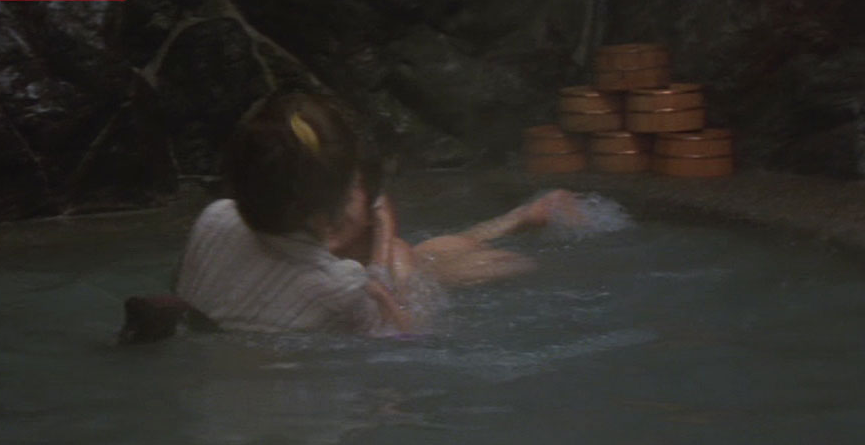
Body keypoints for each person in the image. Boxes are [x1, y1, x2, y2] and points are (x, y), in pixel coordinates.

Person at [163, 92, 583, 338]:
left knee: (411, 255)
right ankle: (522, 225)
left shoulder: (213, 219)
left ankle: (517, 221)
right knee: (408, 258)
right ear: (326, 212)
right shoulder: (340, 287)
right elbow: (411, 343)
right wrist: (382, 253)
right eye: (353, 186)